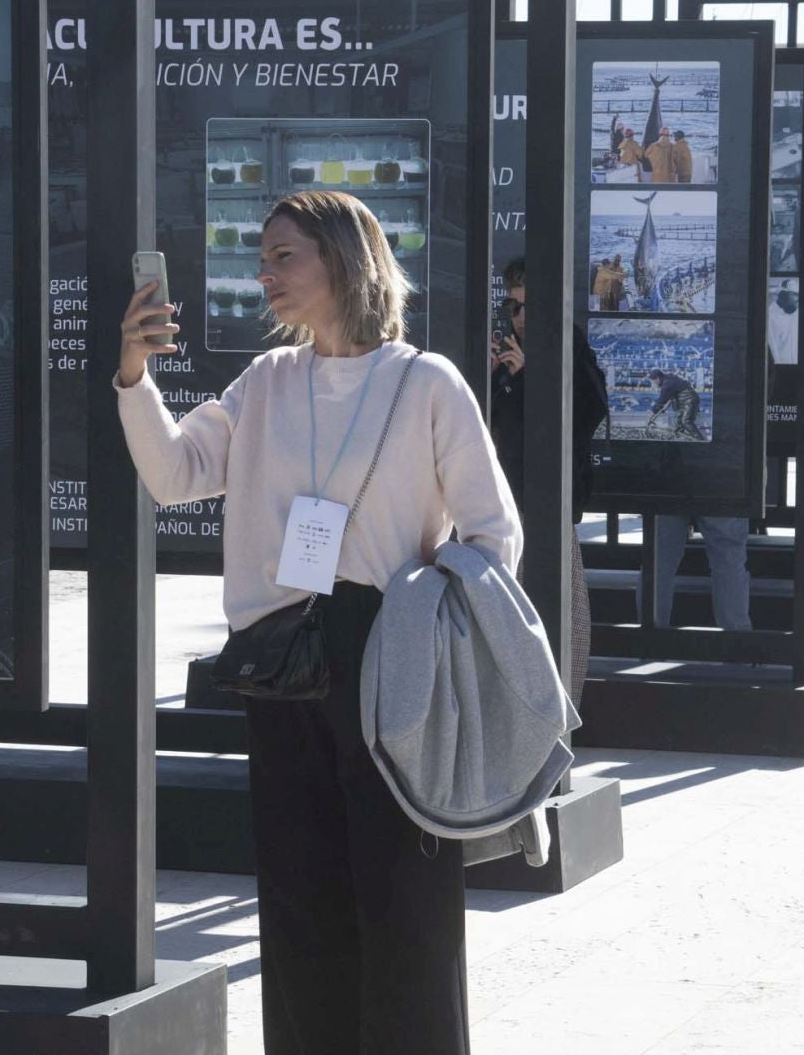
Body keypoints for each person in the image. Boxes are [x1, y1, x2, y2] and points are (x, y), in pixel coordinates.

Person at [115, 191, 518, 1054]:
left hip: (392, 654)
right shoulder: (266, 382)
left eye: (282, 256)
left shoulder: (426, 382)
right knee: (299, 902)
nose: (264, 274)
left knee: (406, 905)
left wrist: (429, 623)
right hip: (281, 658)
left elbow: (494, 536)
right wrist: (134, 377)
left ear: (341, 259)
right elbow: (175, 474)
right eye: (262, 258)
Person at [490, 257, 605, 699]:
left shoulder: (568, 347)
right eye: (512, 307)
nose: (519, 319)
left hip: (548, 504)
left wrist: (525, 379)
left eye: (527, 307)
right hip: (504, 502)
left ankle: (560, 703)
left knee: (562, 608)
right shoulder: (507, 351)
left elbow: (580, 419)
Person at [646, 368, 702, 440]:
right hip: (684, 401)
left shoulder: (667, 384)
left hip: (689, 400)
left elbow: (660, 402)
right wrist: (655, 416)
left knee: (686, 421)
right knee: (679, 423)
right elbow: (667, 401)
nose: (654, 383)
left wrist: (651, 415)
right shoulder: (669, 378)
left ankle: (700, 440)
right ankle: (681, 439)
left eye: (654, 381)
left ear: (657, 378)